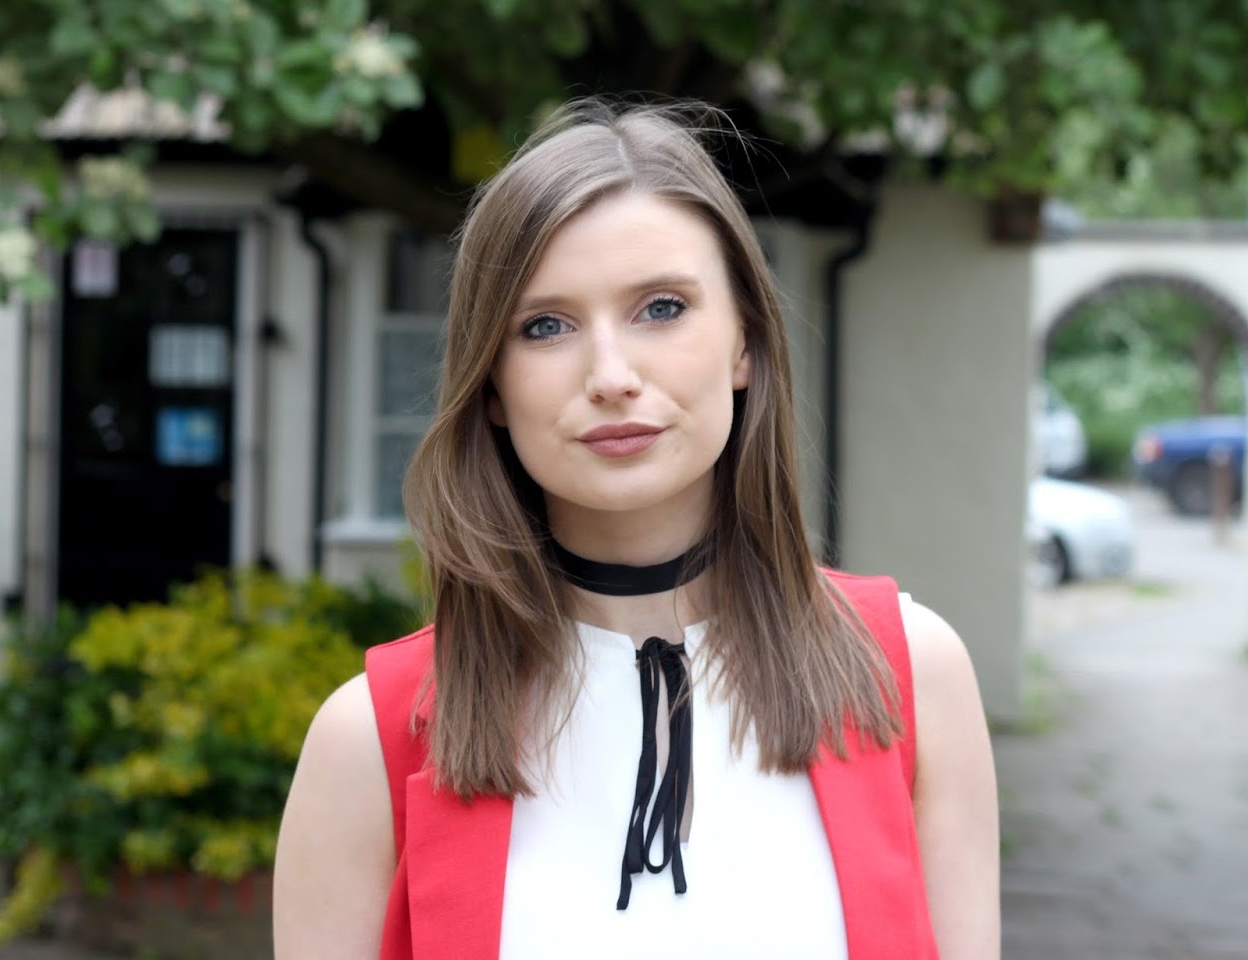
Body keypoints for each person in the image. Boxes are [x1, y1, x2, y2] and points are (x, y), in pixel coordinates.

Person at [273, 99, 999, 960]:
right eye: (545, 326)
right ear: (494, 387)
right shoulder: (373, 738)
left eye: (661, 307)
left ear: (745, 345)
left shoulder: (911, 676)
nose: (611, 375)